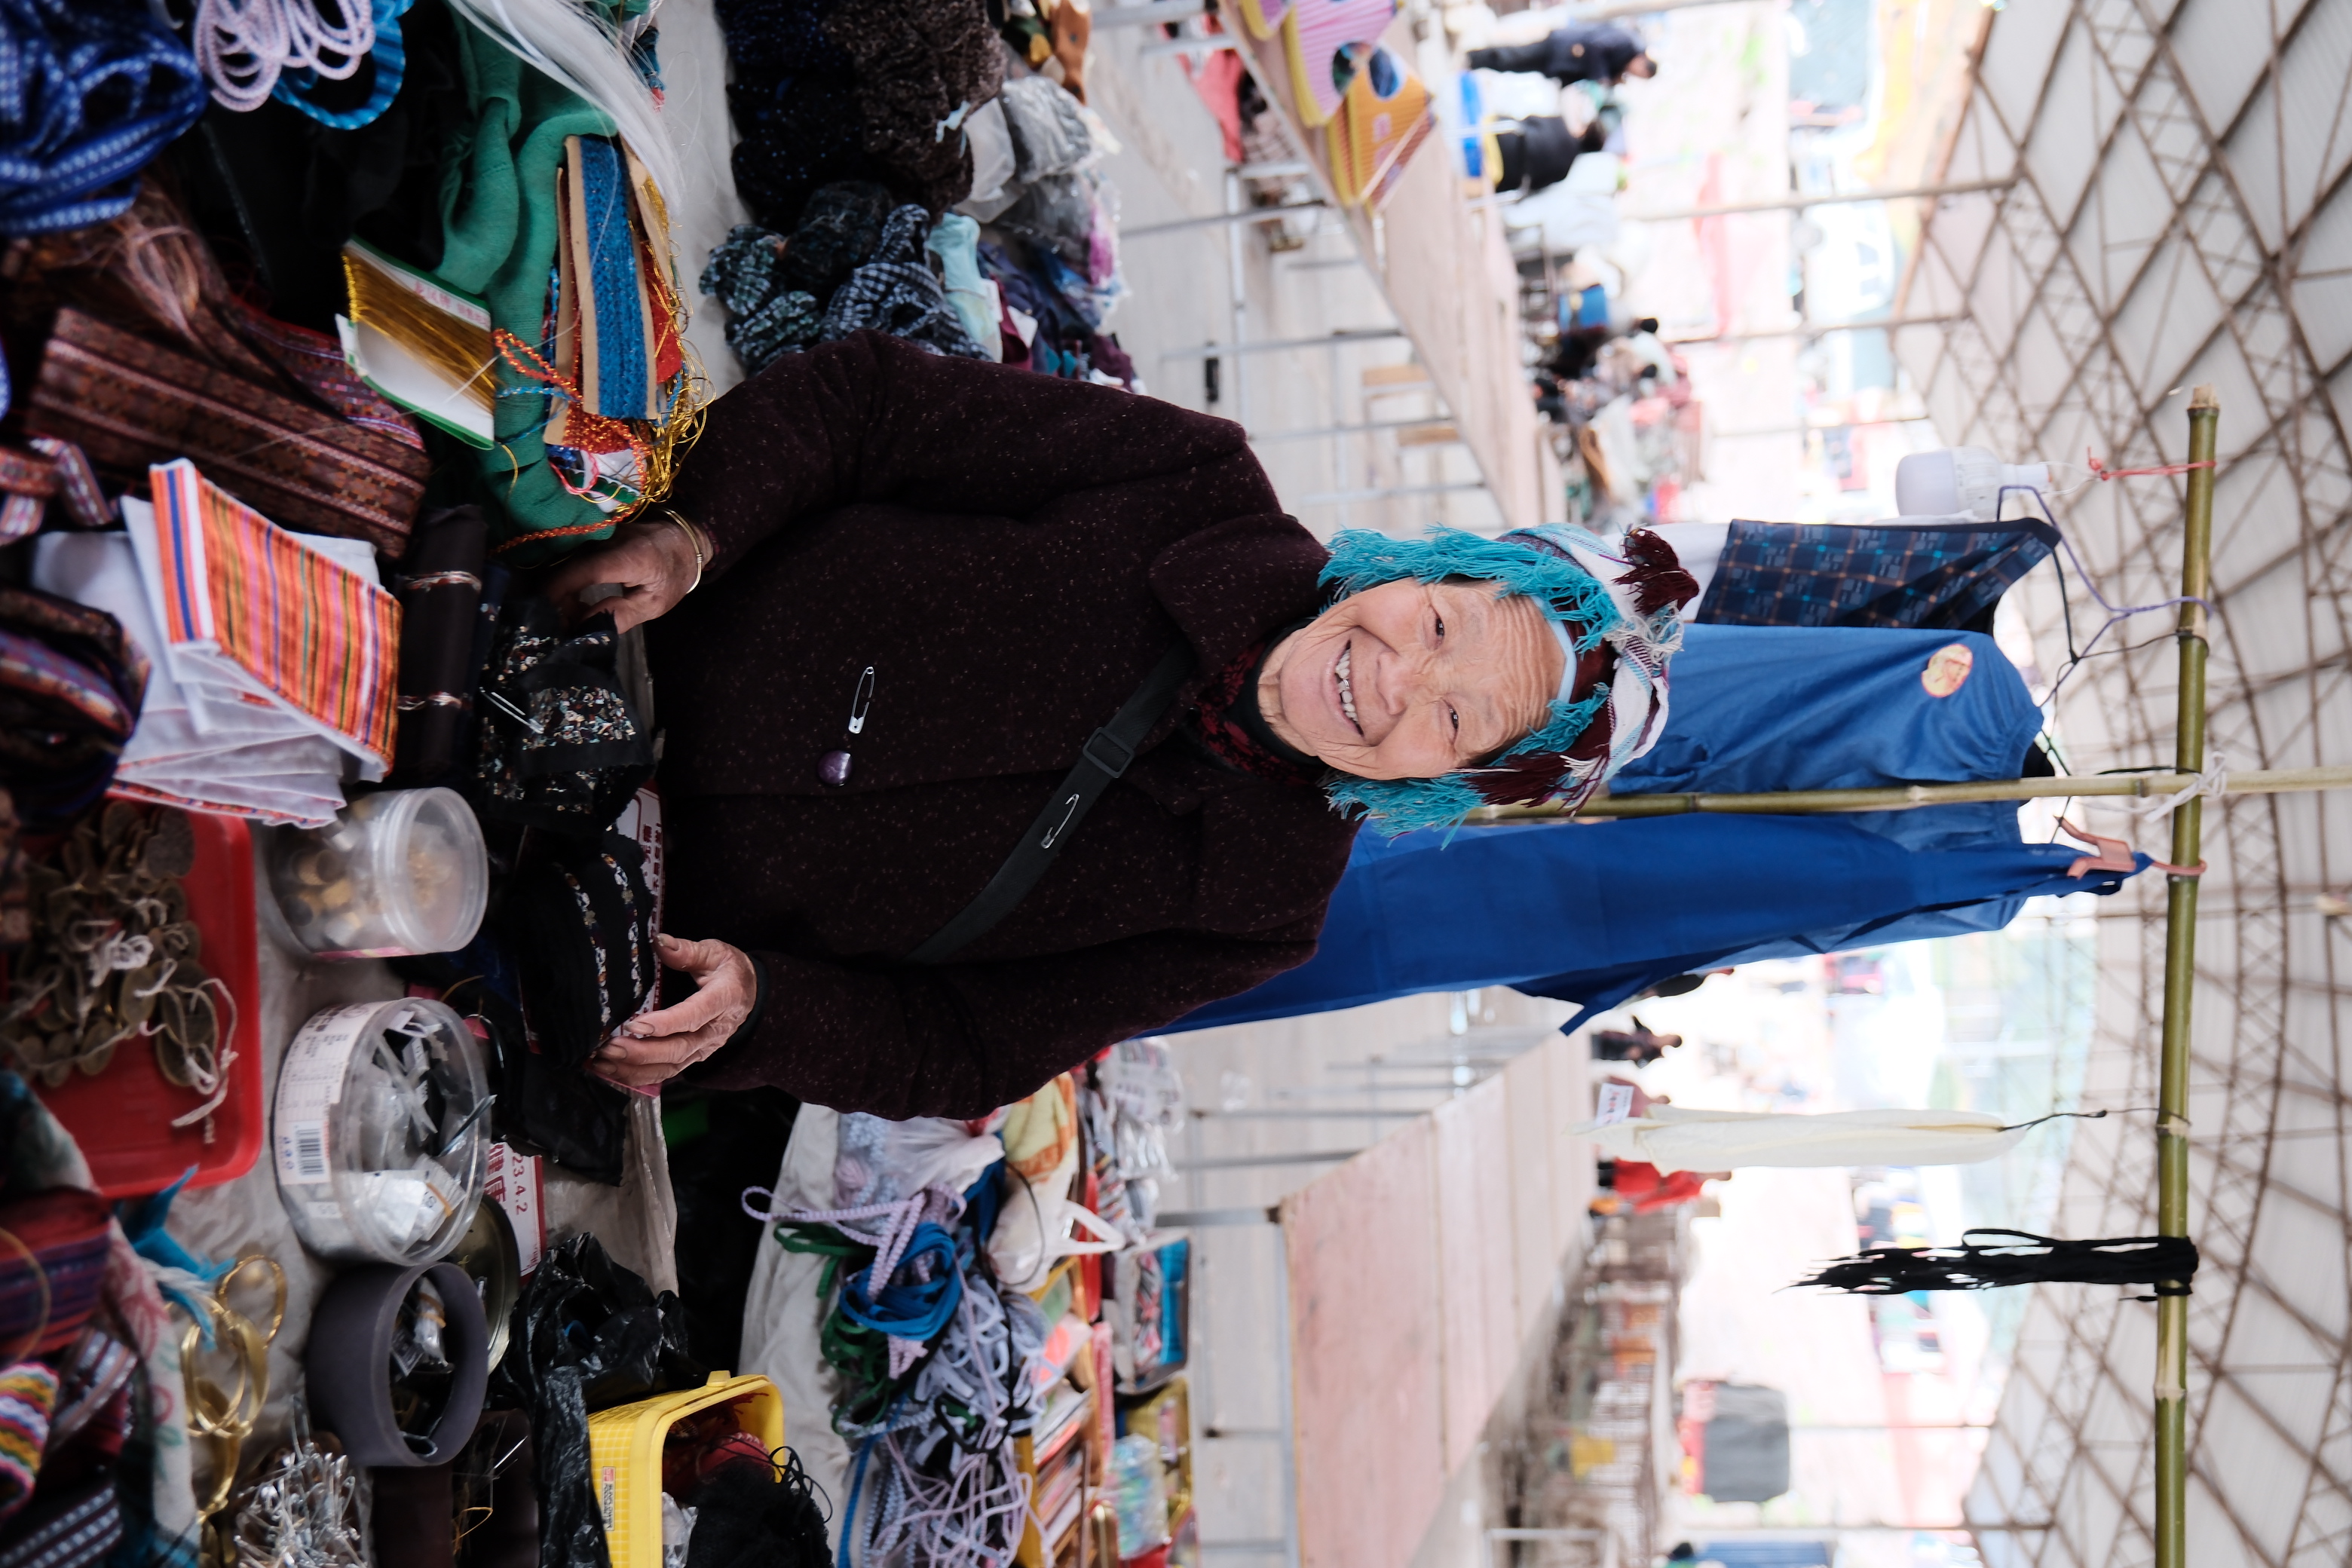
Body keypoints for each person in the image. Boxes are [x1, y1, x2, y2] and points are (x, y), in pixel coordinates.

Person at [542, 331, 1695, 1116]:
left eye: (1455, 721)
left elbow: (968, 1045)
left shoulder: (1260, 912)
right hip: (582, 634)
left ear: (1449, 784)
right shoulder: (1193, 482)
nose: (1397, 678)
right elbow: (873, 410)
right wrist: (693, 536)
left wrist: (762, 1006)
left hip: (600, 923)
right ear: (1419, 567)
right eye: (1438, 621)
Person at [1467, 23, 1654, 87]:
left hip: (1561, 63)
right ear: (1642, 61)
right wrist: (1603, 76)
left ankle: (1476, 63)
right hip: (1561, 48)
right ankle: (1473, 58)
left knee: (1515, 67)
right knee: (1517, 56)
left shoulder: (1621, 65)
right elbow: (1596, 45)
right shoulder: (1626, 43)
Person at [1488, 115, 1610, 196]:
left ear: (1585, 130)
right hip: (1500, 177)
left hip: (1497, 133)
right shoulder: (1565, 171)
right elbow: (1535, 187)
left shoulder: (1559, 123)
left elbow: (1530, 119)